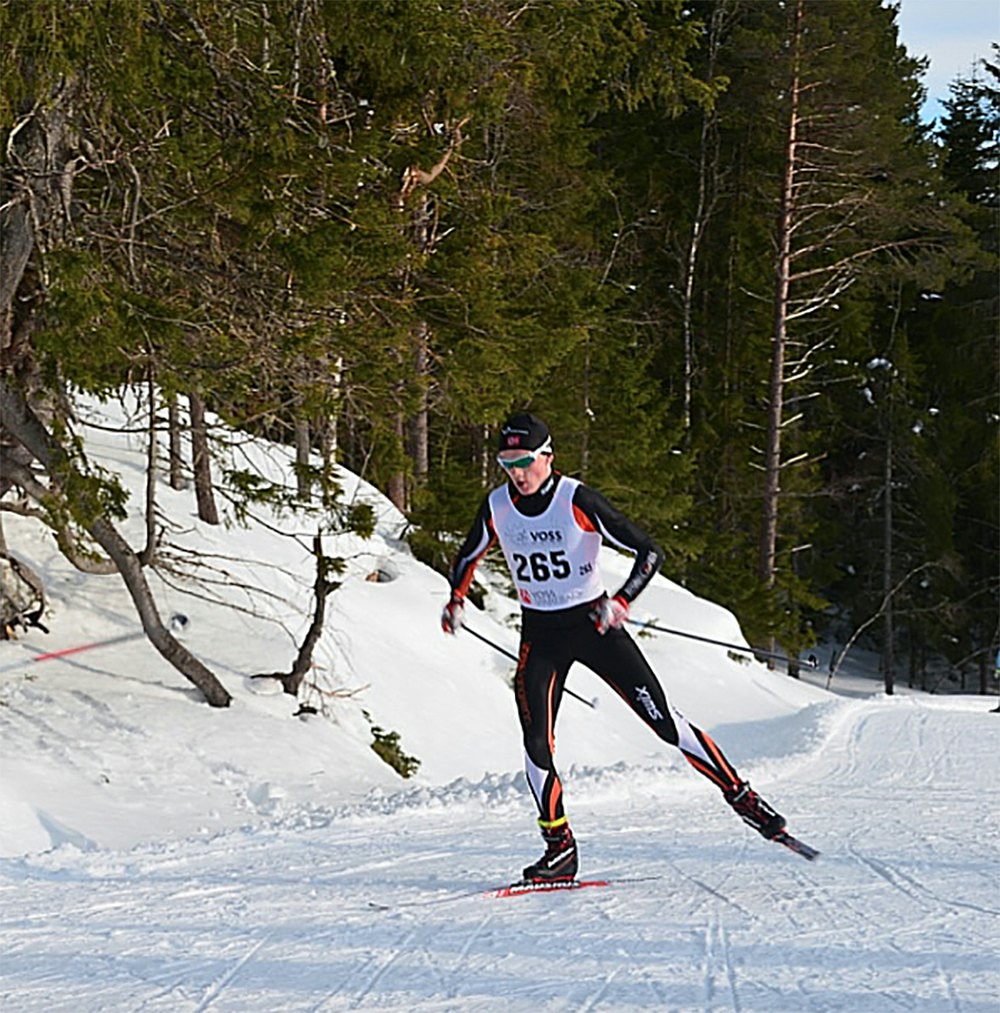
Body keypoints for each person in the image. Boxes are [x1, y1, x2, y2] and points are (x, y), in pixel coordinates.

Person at [441, 411, 787, 883]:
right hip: (540, 637)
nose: (516, 473)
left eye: (523, 461)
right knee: (536, 742)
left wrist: (622, 601)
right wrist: (455, 599)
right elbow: (469, 551)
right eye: (506, 463)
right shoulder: (498, 505)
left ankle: (742, 797)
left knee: (664, 722)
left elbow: (649, 552)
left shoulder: (575, 499)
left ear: (547, 456)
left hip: (594, 627)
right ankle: (559, 847)